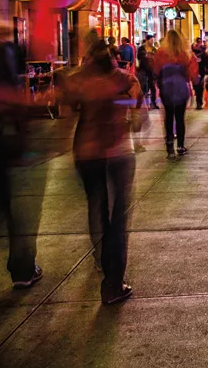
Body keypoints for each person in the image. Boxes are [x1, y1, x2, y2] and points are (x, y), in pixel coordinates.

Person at [66, 36, 138, 304]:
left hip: (86, 152)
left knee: (96, 207)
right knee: (117, 217)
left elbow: (65, 107)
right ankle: (113, 283)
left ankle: (101, 258)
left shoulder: (78, 81)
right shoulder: (124, 78)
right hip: (119, 151)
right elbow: (136, 106)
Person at [0, 22, 44, 289]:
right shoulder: (3, 53)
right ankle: (23, 268)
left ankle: (23, 267)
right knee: (17, 207)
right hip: (4, 139)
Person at [153, 31, 198, 158]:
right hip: (180, 88)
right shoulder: (184, 54)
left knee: (168, 117)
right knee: (180, 118)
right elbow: (192, 73)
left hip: (166, 88)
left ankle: (169, 147)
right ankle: (180, 146)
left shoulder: (161, 53)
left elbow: (156, 71)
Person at [136, 34, 158, 109]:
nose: (152, 42)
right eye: (151, 40)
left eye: (153, 40)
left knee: (152, 87)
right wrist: (146, 55)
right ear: (147, 40)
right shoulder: (142, 48)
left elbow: (156, 57)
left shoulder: (153, 49)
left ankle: (153, 103)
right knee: (142, 86)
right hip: (143, 69)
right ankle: (140, 103)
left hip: (151, 70)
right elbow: (139, 57)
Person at [191, 37, 208, 110]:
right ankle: (199, 101)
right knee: (197, 87)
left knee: (199, 87)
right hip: (195, 72)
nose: (199, 43)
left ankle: (199, 102)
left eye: (200, 42)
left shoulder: (203, 52)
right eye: (198, 42)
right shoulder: (193, 52)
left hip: (200, 71)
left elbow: (206, 62)